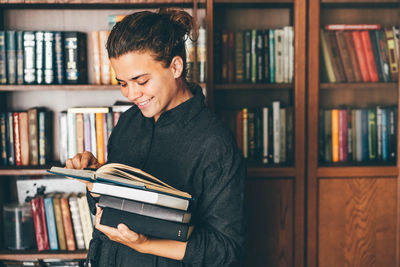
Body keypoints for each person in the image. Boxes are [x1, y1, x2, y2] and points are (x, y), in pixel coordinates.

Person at [65, 9, 246, 267]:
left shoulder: (215, 144)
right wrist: (96, 181)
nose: (131, 93)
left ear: (175, 67)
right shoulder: (128, 122)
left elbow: (226, 250)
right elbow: (110, 212)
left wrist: (145, 244)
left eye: (141, 80)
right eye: (123, 82)